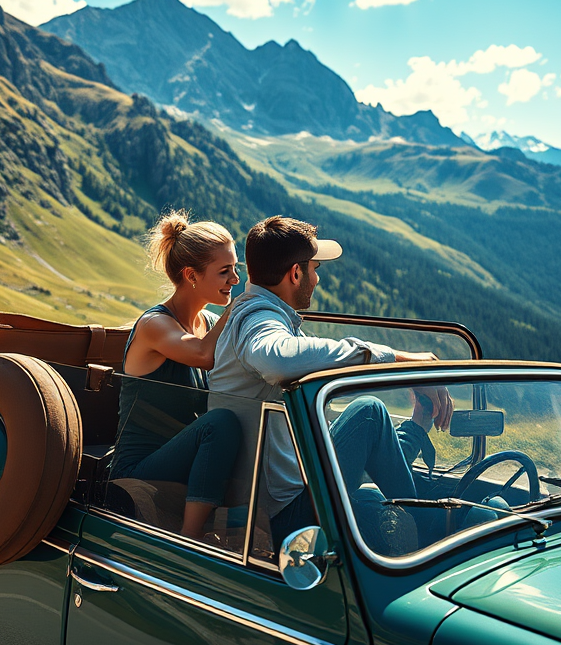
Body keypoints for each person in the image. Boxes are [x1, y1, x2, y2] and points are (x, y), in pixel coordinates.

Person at [209, 215, 453, 549]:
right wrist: (397, 358)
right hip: (278, 517)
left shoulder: (265, 315)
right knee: (368, 412)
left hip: (283, 498)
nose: (317, 279)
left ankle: (426, 519)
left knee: (370, 502)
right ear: (296, 273)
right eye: (315, 269)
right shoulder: (258, 319)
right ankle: (429, 532)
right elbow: (275, 357)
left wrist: (415, 427)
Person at [111, 211, 242, 539]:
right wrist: (238, 308)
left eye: (236, 269)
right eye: (225, 271)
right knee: (221, 422)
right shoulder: (154, 325)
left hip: (185, 461)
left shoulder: (209, 324)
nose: (235, 280)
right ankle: (190, 536)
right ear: (191, 275)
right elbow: (202, 355)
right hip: (138, 470)